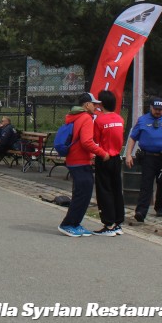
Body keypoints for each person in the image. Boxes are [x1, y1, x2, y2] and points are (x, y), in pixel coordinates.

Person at [59, 92, 111, 237]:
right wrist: (102, 153)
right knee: (82, 194)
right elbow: (86, 141)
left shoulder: (74, 116)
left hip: (74, 159)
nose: (96, 107)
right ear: (87, 105)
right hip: (80, 161)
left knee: (81, 193)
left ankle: (75, 223)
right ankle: (68, 224)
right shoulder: (86, 118)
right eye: (93, 104)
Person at [124, 96, 162, 222]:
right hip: (149, 157)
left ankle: (160, 208)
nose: (158, 111)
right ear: (151, 107)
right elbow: (133, 138)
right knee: (146, 185)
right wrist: (128, 154)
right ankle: (141, 211)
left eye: (160, 109)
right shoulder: (142, 120)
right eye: (155, 109)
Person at [92, 90, 125, 235]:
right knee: (117, 189)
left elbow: (95, 139)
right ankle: (118, 222)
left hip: (104, 157)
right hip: (116, 157)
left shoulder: (99, 121)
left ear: (101, 104)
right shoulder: (120, 119)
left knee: (104, 190)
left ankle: (108, 223)